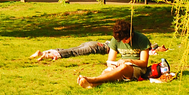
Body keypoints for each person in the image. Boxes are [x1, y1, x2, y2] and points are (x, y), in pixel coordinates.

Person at [77, 20, 151, 88]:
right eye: (121, 40)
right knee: (108, 72)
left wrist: (128, 60)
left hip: (137, 68)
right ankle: (91, 85)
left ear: (131, 34)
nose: (123, 42)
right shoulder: (116, 40)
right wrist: (112, 66)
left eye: (125, 39)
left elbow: (144, 63)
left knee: (123, 67)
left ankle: (91, 79)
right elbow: (110, 60)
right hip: (120, 66)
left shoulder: (142, 39)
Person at [31, 40, 167, 62]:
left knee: (73, 49)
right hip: (97, 48)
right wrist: (157, 49)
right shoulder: (130, 46)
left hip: (94, 43)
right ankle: (47, 55)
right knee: (74, 52)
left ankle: (44, 52)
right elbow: (148, 51)